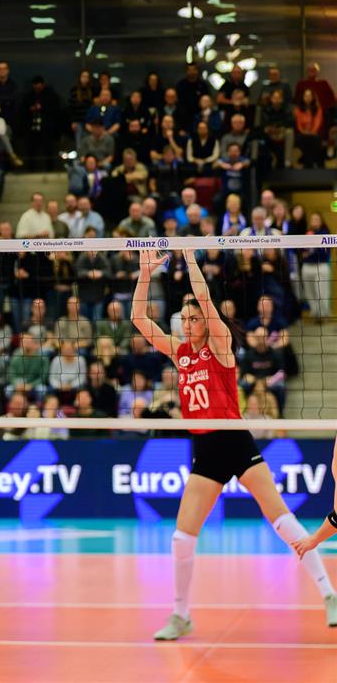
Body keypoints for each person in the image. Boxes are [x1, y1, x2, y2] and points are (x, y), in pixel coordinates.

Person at [132, 250, 337, 640]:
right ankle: (181, 615)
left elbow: (205, 300)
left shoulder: (221, 345)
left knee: (282, 519)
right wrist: (145, 275)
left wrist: (190, 258)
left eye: (194, 318)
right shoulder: (179, 353)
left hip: (235, 440)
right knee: (181, 538)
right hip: (205, 449)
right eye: (184, 319)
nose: (188, 324)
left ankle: (329, 593)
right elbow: (139, 320)